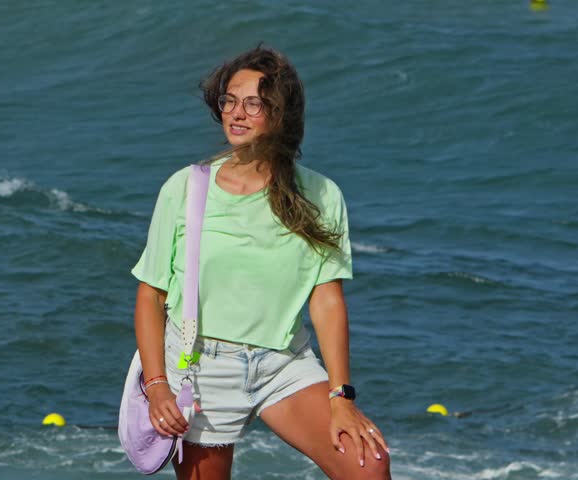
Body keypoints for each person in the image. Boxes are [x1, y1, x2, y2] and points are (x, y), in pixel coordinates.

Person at [131, 46, 391, 480]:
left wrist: (341, 396)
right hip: (200, 370)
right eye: (230, 100)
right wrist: (157, 387)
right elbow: (150, 296)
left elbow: (327, 302)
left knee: (368, 465)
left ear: (281, 114)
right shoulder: (186, 189)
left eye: (254, 103)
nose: (237, 112)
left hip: (282, 364)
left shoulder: (321, 196)